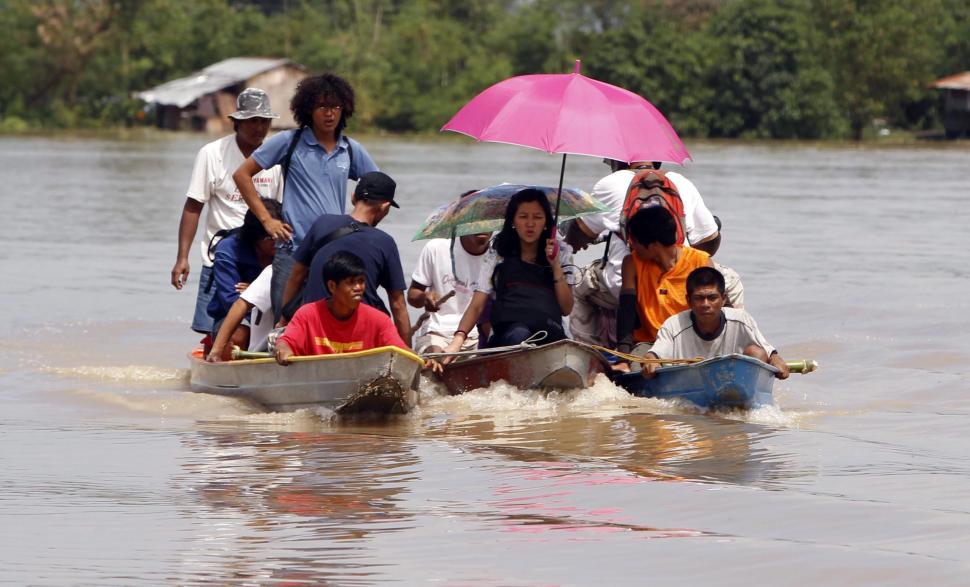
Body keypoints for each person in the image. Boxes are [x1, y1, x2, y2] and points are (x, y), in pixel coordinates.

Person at [232, 74, 379, 320]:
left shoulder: (350, 149)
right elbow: (241, 175)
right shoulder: (289, 142)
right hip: (292, 250)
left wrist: (360, 223)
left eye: (335, 106)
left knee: (329, 323)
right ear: (308, 109)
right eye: (322, 106)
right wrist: (267, 220)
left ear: (344, 109)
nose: (329, 113)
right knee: (286, 322)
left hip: (333, 252)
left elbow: (379, 190)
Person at [564, 158, 743, 348]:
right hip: (686, 284)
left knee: (576, 282)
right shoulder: (681, 181)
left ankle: (587, 352)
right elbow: (709, 240)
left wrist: (573, 240)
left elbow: (578, 234)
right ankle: (736, 344)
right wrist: (683, 265)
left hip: (620, 284)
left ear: (619, 162)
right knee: (731, 280)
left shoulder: (609, 184)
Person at [170, 88, 283, 335]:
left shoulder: (276, 157)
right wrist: (182, 257)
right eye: (252, 121)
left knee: (265, 323)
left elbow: (280, 210)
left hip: (263, 255)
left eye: (264, 121)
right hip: (221, 254)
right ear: (236, 122)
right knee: (213, 327)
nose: (259, 128)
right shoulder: (212, 154)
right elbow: (193, 206)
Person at [442, 189, 573, 360]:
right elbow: (477, 305)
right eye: (523, 217)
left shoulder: (562, 251)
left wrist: (555, 265)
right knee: (519, 335)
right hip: (511, 335)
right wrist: (457, 341)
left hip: (551, 333)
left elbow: (566, 308)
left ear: (546, 222)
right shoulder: (498, 253)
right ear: (513, 221)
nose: (530, 224)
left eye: (537, 217)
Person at [280, 171, 410, 342]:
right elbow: (398, 304)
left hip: (313, 330)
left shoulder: (322, 223)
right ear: (385, 207)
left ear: (353, 197)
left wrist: (284, 322)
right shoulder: (385, 242)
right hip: (360, 336)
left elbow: (295, 276)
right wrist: (408, 351)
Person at [642, 267, 789, 380]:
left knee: (756, 353)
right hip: (688, 383)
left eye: (712, 298)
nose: (706, 304)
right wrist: (650, 362)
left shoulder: (741, 320)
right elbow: (654, 355)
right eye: (699, 298)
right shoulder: (673, 325)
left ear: (723, 299)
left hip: (734, 381)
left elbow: (770, 353)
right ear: (688, 301)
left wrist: (777, 361)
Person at [614, 205, 713, 371]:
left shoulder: (700, 262)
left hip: (691, 343)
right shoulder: (632, 263)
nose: (631, 244)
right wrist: (623, 358)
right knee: (641, 371)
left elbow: (714, 310)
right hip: (649, 345)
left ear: (653, 245)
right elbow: (626, 311)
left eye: (634, 241)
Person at [274, 252, 407, 365]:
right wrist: (283, 349)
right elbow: (286, 342)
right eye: (351, 282)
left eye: (361, 281)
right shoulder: (307, 315)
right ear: (332, 286)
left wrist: (416, 359)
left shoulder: (379, 321)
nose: (358, 288)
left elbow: (402, 353)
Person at [207, 199, 282, 353]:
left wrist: (254, 292)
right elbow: (230, 300)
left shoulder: (287, 247)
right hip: (238, 318)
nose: (277, 242)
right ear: (254, 237)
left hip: (277, 316)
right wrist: (255, 297)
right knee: (238, 336)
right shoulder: (229, 250)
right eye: (270, 238)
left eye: (280, 235)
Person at [408, 231, 492, 353]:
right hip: (437, 332)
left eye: (486, 223)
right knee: (435, 357)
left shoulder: (499, 254)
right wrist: (424, 298)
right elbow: (413, 294)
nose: (482, 228)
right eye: (477, 223)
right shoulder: (436, 248)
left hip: (479, 334)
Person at [204, 264, 275, 362]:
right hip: (263, 348)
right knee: (237, 334)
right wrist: (216, 350)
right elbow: (239, 305)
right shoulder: (272, 272)